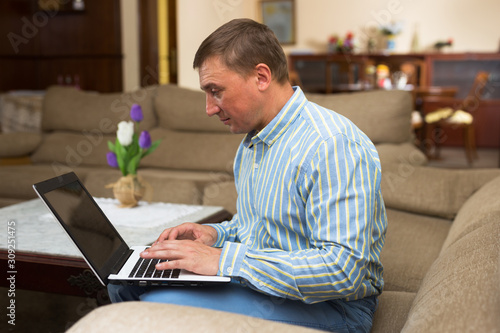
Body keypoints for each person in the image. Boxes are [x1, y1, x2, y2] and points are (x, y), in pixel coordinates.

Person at [108, 18, 387, 333]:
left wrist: (223, 260)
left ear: (261, 76)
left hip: (333, 309)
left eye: (216, 91)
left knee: (155, 305)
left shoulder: (332, 145)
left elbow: (342, 271)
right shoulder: (253, 142)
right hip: (268, 288)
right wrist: (214, 236)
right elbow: (254, 229)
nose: (209, 108)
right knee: (124, 283)